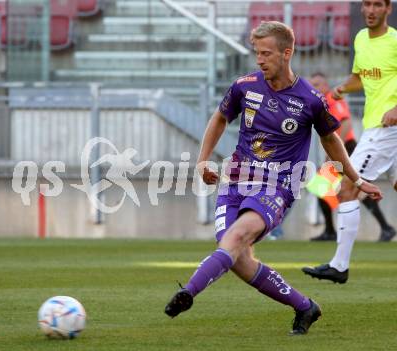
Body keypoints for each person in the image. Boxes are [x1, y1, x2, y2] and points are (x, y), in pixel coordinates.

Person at [164, 21, 382, 335]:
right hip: (236, 181)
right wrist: (202, 160)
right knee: (236, 257)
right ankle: (305, 307)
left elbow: (331, 139)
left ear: (286, 53)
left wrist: (356, 179)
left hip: (278, 186)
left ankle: (189, 292)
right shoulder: (245, 85)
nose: (260, 60)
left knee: (235, 239)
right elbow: (220, 117)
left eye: (266, 53)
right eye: (257, 53)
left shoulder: (309, 98)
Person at [302, 0, 397, 284]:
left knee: (346, 188)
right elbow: (361, 76)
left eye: (377, 5)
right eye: (366, 4)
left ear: (387, 9)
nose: (370, 10)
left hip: (384, 129)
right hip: (376, 126)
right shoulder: (360, 39)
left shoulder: (394, 41)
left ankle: (339, 266)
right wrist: (344, 86)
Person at [308, 72, 396, 242]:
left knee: (329, 188)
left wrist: (332, 153)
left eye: (317, 84)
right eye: (312, 85)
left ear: (326, 86)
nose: (314, 88)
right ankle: (385, 228)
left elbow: (346, 122)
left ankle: (332, 232)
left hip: (346, 149)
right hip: (341, 149)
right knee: (333, 189)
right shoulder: (322, 102)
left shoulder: (332, 100)